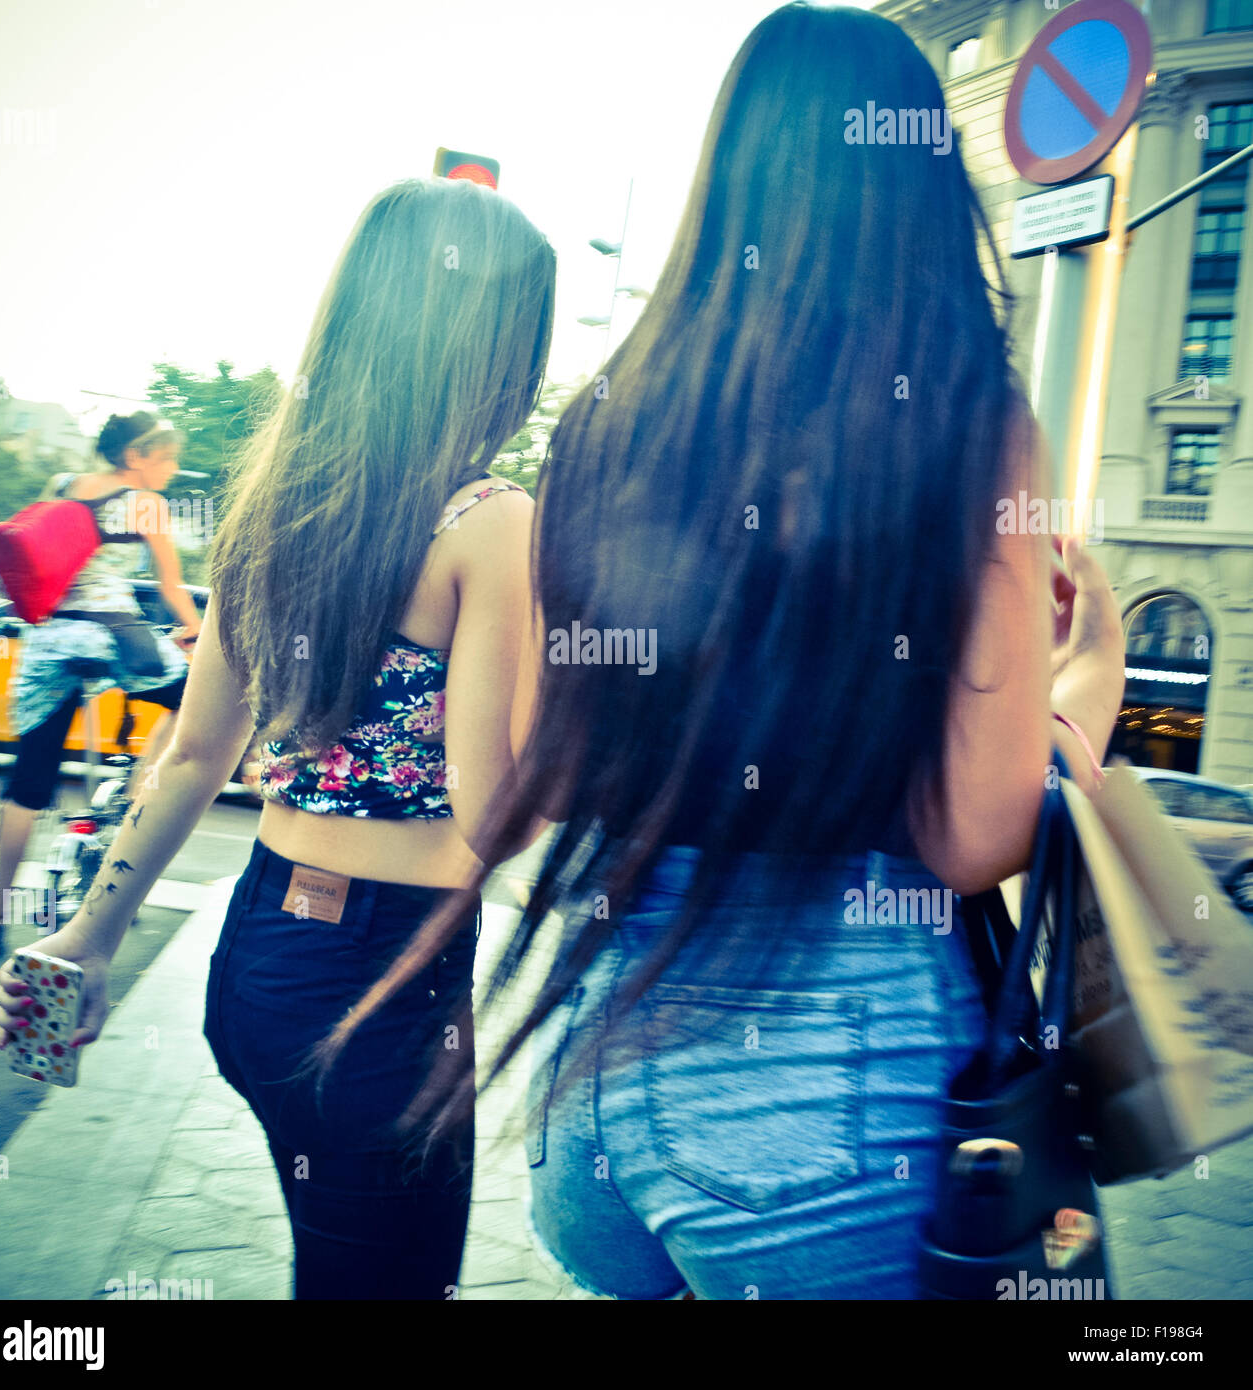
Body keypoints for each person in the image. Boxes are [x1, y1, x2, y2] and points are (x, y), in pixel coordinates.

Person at [309, 3, 1127, 1300]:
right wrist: (1090, 683)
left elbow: (558, 773)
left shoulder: (606, 422)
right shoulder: (969, 422)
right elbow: (973, 835)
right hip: (828, 1113)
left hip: (601, 1095)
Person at [0, 176, 556, 1299]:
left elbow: (196, 755)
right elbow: (495, 815)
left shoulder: (276, 505)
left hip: (257, 967)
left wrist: (89, 938)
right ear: (496, 349)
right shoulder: (490, 525)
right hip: (386, 993)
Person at [0, 413, 200, 956]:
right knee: (193, 700)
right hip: (111, 635)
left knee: (28, 777)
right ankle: (135, 793)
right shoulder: (146, 504)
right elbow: (170, 583)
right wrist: (193, 628)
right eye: (166, 457)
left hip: (48, 641)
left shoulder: (60, 488)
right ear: (136, 457)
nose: (171, 469)